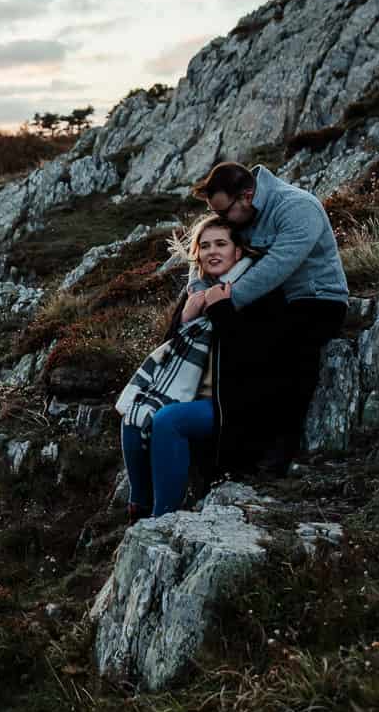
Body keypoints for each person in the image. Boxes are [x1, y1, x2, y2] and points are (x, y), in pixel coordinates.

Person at [191, 161, 349, 471]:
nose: (222, 219)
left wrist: (221, 300)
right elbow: (205, 249)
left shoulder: (298, 208)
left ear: (247, 196)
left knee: (284, 353)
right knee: (236, 348)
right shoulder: (240, 212)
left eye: (224, 212)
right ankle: (228, 449)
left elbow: (274, 268)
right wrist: (198, 294)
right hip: (271, 303)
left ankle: (281, 448)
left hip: (317, 300)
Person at [116, 214, 256, 520]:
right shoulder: (196, 293)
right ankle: (138, 507)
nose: (212, 251)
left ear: (238, 251)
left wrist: (220, 309)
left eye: (221, 243)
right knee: (135, 411)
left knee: (168, 420)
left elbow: (250, 353)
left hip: (229, 402)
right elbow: (170, 349)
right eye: (205, 246)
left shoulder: (252, 290)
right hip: (189, 394)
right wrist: (185, 318)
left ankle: (163, 517)